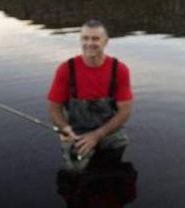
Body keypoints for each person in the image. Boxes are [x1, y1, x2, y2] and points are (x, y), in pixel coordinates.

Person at [48, 19, 133, 171]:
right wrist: (64, 128)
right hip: (77, 131)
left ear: (106, 41)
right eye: (85, 38)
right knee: (75, 171)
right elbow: (54, 108)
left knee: (116, 163)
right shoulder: (66, 69)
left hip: (109, 129)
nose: (89, 43)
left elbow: (124, 111)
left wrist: (96, 136)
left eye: (95, 39)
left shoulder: (119, 69)